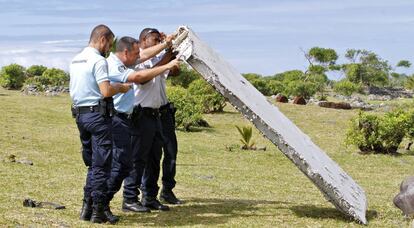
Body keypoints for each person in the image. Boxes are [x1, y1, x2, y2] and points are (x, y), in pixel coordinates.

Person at [105, 36, 180, 213]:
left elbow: (150, 58)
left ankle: (150, 197)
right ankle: (130, 198)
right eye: (154, 39)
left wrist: (168, 47)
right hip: (139, 116)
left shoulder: (134, 58)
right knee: (137, 159)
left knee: (155, 158)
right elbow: (141, 78)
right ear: (143, 40)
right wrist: (167, 60)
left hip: (156, 115)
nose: (156, 43)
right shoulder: (127, 64)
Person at [69, 24, 131, 224]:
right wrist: (120, 88)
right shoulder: (98, 61)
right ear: (102, 39)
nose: (109, 50)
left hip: (80, 115)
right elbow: (105, 91)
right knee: (102, 165)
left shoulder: (75, 59)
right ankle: (99, 211)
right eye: (109, 44)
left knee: (92, 164)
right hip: (98, 116)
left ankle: (86, 208)